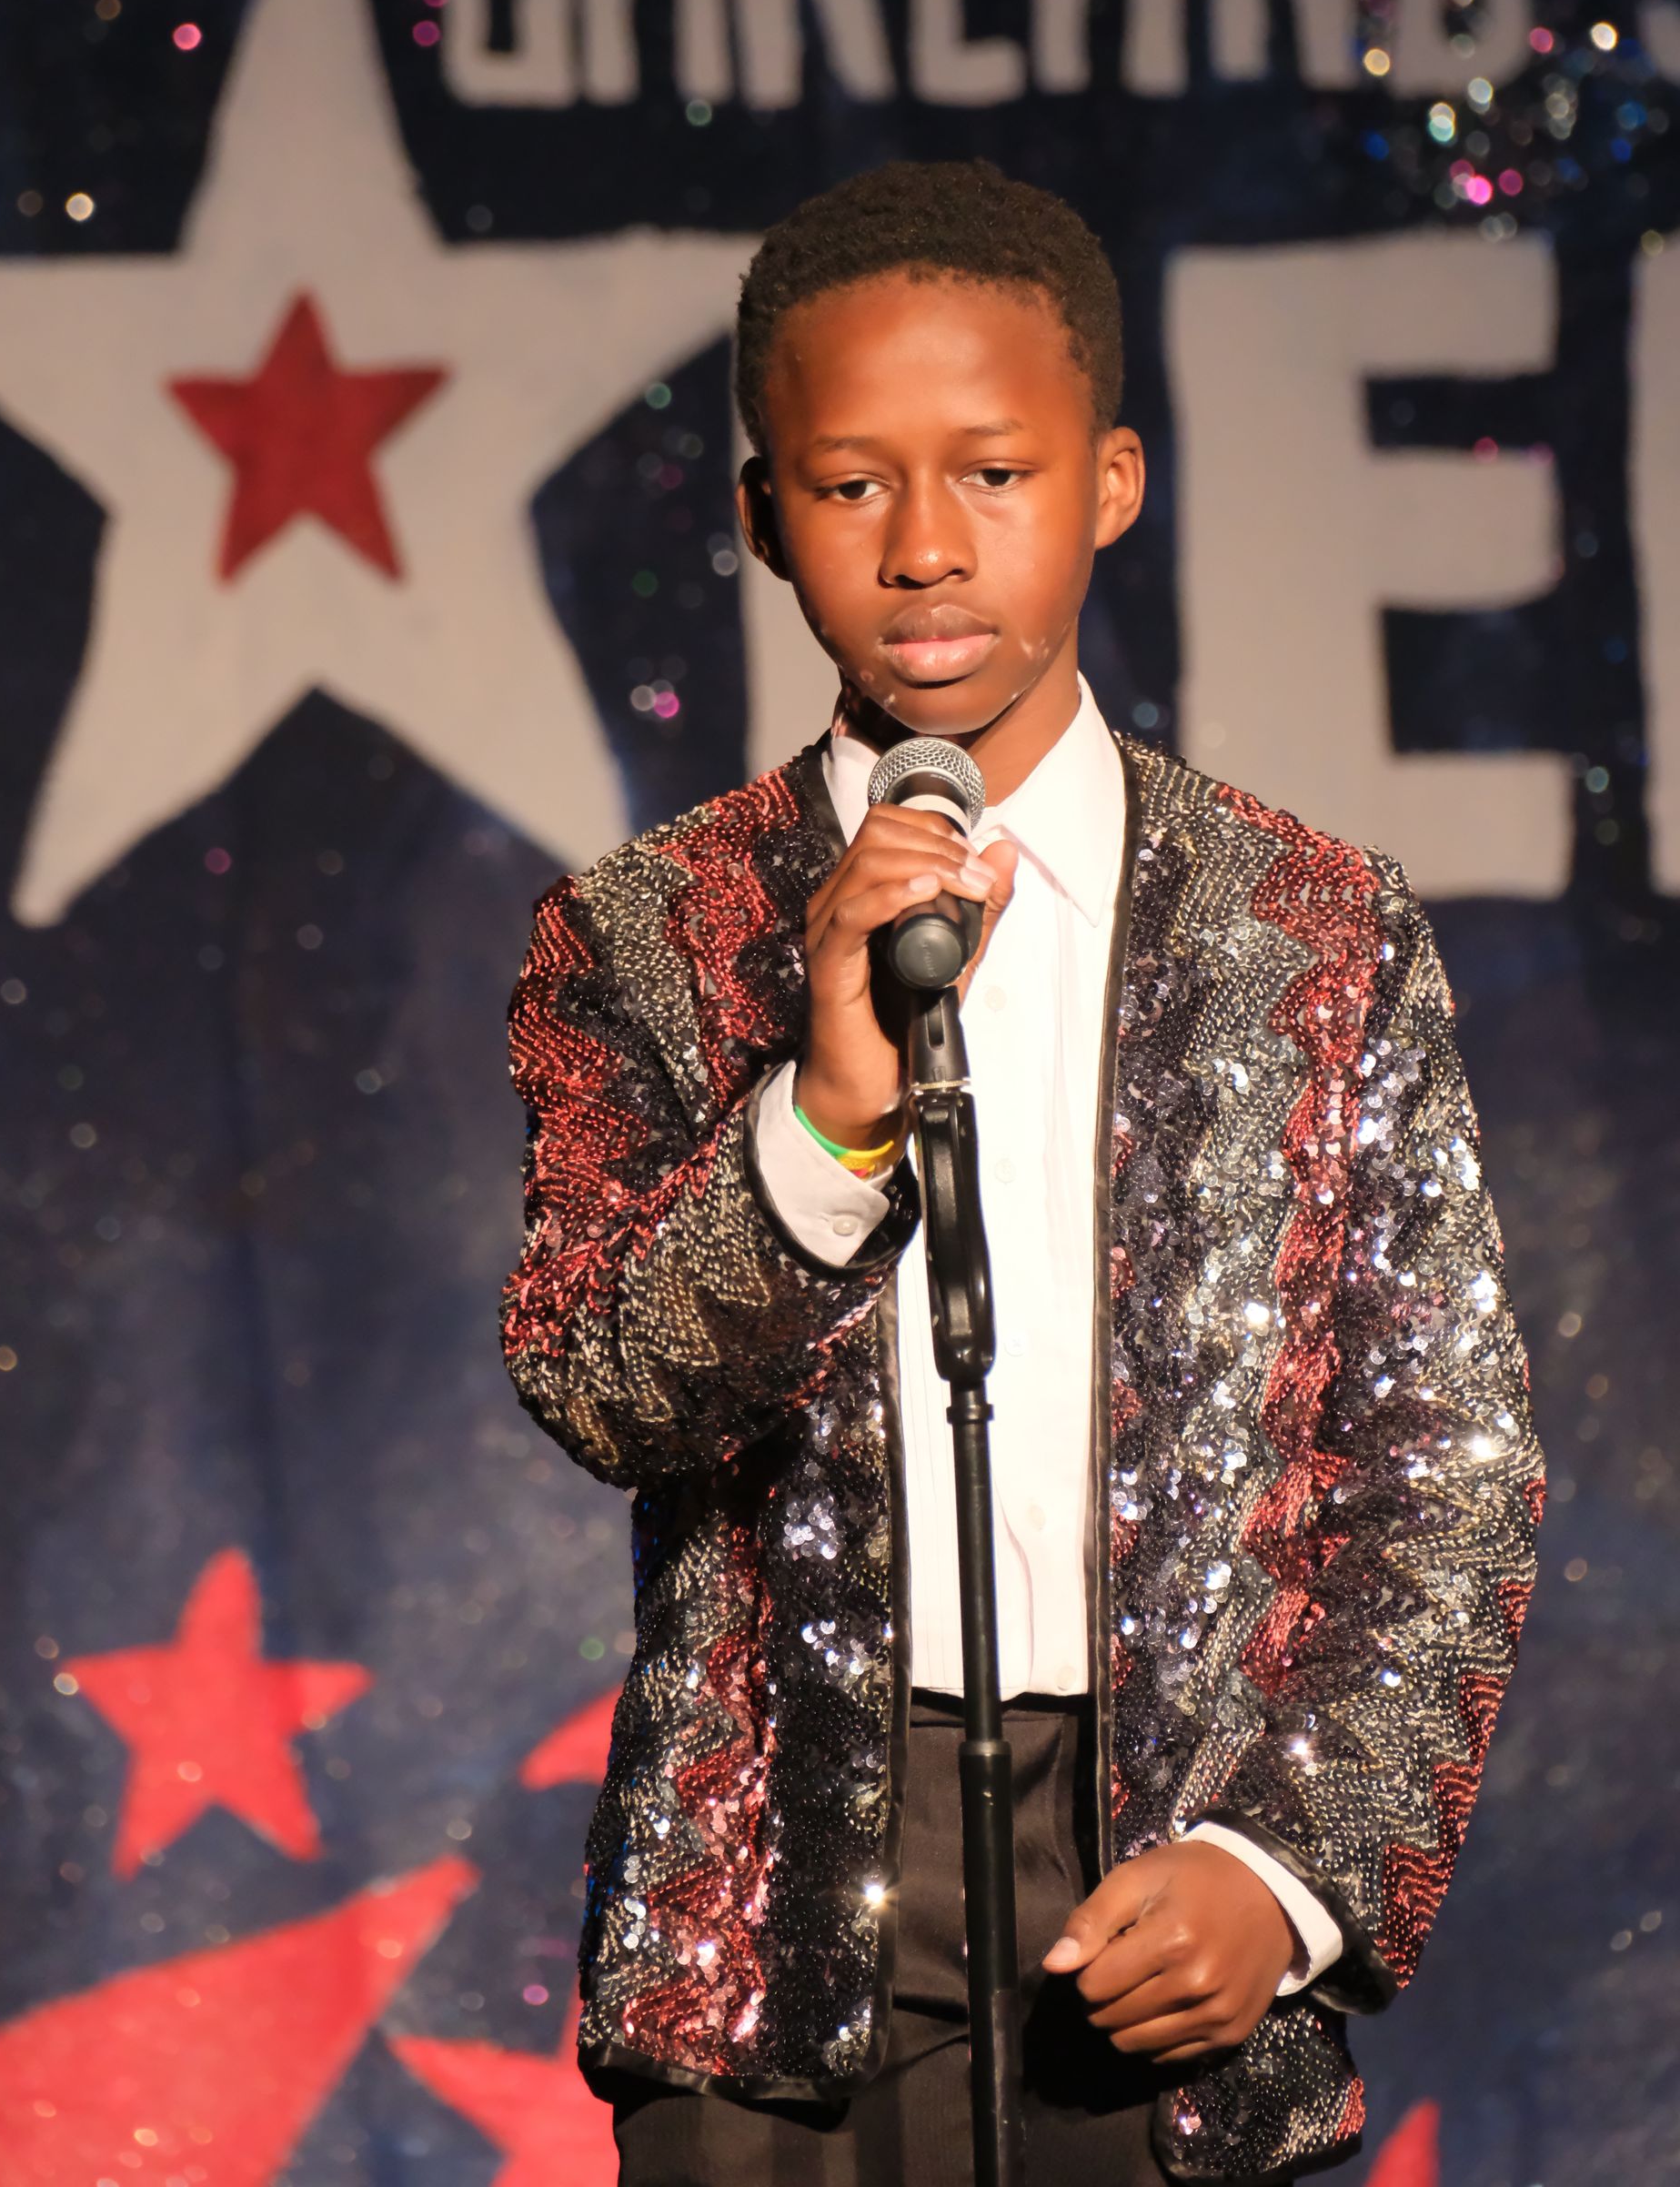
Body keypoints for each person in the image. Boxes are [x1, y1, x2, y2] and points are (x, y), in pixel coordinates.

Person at [501, 159, 1542, 2184]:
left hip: (1159, 1877)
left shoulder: (1314, 933)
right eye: (847, 485)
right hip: (778, 1919)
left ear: (1112, 483)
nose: (921, 550)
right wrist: (820, 1114)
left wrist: (1285, 1867)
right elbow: (601, 1381)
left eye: (991, 472)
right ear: (759, 516)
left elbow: (1446, 1467)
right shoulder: (641, 933)